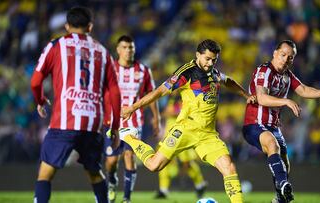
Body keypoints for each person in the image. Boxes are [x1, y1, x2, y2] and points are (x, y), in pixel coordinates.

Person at [120, 39, 256, 203]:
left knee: (229, 167)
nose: (210, 63)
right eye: (207, 59)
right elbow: (159, 92)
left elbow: (228, 81)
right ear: (198, 55)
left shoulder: (214, 72)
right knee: (154, 165)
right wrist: (133, 107)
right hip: (185, 130)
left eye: (214, 60)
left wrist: (246, 96)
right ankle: (129, 137)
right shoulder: (187, 72)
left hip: (208, 134)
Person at [31, 6, 121, 203]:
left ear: (66, 26)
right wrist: (114, 127)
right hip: (93, 124)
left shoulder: (56, 46)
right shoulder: (103, 51)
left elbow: (35, 82)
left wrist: (40, 100)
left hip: (65, 121)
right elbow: (115, 92)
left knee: (45, 173)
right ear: (90, 27)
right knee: (95, 172)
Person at [242, 40, 320, 203]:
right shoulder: (264, 71)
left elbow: (304, 90)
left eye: (290, 57)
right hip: (254, 124)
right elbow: (262, 98)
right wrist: (285, 101)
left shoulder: (287, 76)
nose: (286, 59)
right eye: (283, 55)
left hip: (273, 126)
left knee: (284, 161)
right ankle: (284, 184)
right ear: (275, 53)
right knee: (273, 145)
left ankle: (280, 196)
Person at [102, 35, 160, 203]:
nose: (128, 51)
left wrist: (156, 118)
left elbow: (151, 95)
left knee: (129, 156)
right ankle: (112, 182)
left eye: (131, 48)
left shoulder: (143, 71)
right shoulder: (109, 69)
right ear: (118, 50)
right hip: (112, 122)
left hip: (135, 122)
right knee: (111, 161)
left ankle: (127, 198)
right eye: (125, 47)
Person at [155, 96, 207, 199]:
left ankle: (200, 184)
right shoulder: (170, 99)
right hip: (169, 137)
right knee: (161, 161)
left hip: (181, 134)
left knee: (187, 163)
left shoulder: (185, 97)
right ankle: (163, 189)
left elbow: (184, 113)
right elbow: (166, 113)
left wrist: (171, 113)